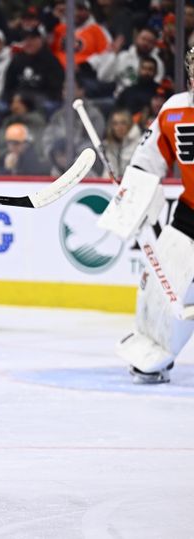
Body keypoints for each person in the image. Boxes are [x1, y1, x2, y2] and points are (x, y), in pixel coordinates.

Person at [102, 46, 194, 384]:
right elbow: (148, 159)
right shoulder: (175, 111)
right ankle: (155, 351)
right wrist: (134, 192)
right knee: (159, 286)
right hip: (190, 216)